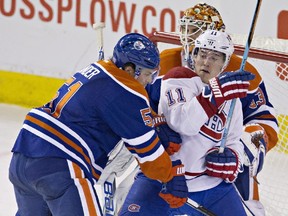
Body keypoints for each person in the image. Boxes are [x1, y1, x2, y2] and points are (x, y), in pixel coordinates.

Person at [8, 33, 188, 216]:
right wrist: (171, 176)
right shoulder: (128, 91)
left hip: (22, 157)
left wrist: (153, 121)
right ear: (129, 69)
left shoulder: (98, 68)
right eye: (148, 73)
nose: (150, 80)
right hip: (59, 165)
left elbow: (110, 106)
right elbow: (151, 160)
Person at [146, 3, 279, 214]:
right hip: (173, 160)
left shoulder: (242, 71)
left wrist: (239, 155)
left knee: (246, 193)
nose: (187, 38)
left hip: (219, 160)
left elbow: (265, 121)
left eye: (195, 31)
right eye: (185, 30)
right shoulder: (163, 63)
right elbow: (136, 107)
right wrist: (156, 124)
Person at [120, 29, 255, 216]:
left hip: (211, 187)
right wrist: (214, 94)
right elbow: (182, 123)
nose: (206, 61)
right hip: (165, 179)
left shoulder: (232, 101)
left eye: (215, 57)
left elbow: (233, 139)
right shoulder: (178, 78)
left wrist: (233, 157)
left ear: (224, 63)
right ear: (194, 56)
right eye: (202, 54)